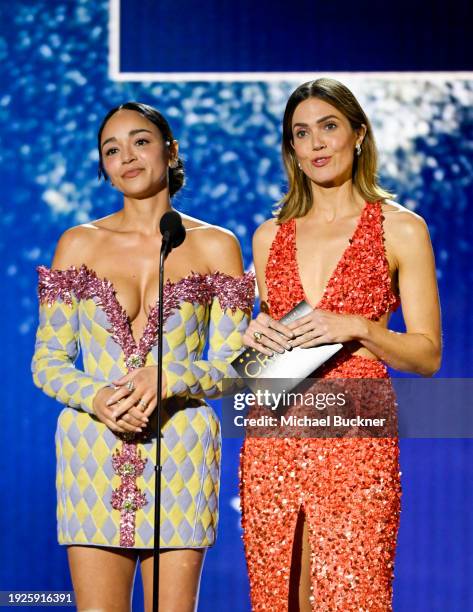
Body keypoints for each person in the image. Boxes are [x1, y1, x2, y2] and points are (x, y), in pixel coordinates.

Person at [31, 102, 254, 612]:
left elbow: (237, 366)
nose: (126, 156)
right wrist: (98, 394)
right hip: (92, 450)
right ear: (104, 168)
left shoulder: (216, 245)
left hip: (181, 450)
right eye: (112, 149)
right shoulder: (79, 243)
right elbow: (48, 360)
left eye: (140, 141)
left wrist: (170, 375)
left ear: (171, 151)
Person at [240, 78, 441, 611]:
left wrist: (360, 327)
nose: (317, 144)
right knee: (278, 596)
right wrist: (252, 337)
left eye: (329, 127)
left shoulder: (402, 230)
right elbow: (262, 362)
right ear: (292, 150)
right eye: (301, 134)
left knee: (356, 594)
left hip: (359, 436)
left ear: (358, 134)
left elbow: (427, 355)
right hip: (273, 440)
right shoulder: (269, 235)